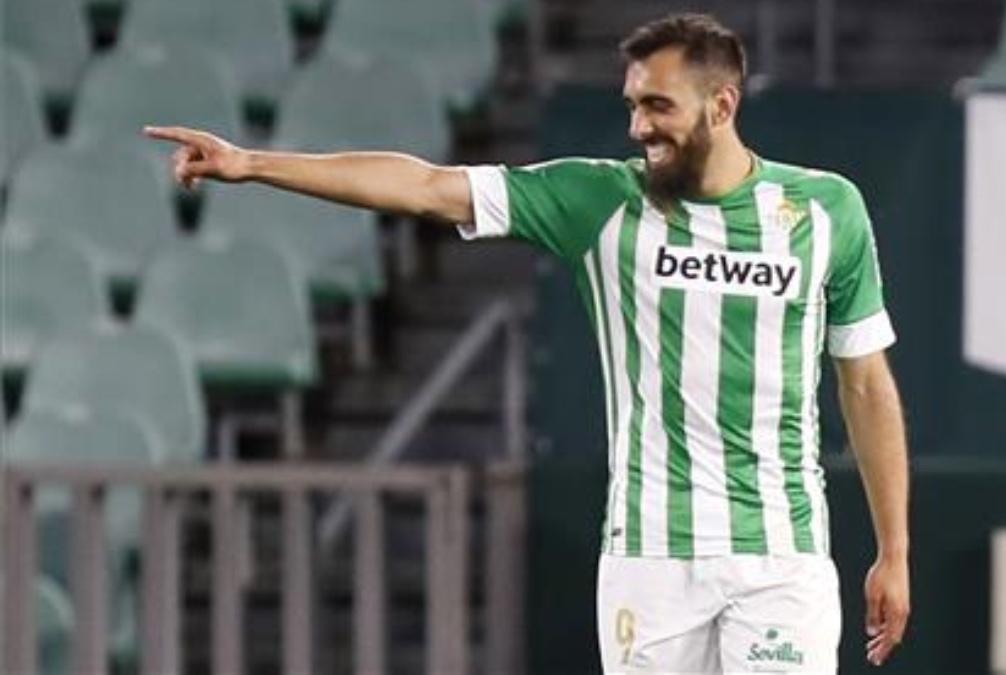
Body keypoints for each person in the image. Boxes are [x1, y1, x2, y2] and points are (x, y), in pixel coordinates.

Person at [146, 12, 909, 672]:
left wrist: (893, 548)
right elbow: (424, 185)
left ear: (722, 105)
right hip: (650, 561)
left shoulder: (825, 212)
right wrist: (254, 164)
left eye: (657, 105)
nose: (639, 125)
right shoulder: (598, 199)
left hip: (781, 558)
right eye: (632, 105)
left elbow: (867, 383)